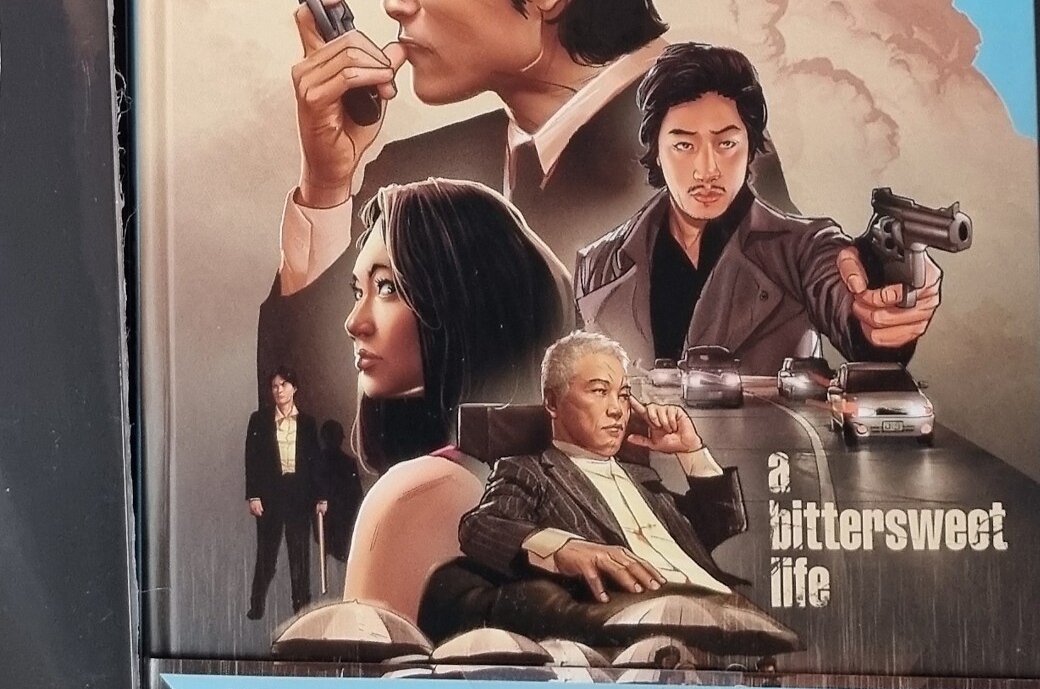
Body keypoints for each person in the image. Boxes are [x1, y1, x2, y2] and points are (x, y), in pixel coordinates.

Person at [259, 0, 794, 429]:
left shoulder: (712, 168)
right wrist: (326, 186)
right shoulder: (405, 174)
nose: (395, 0)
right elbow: (303, 432)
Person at [576, 41, 941, 371]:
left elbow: (843, 291)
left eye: (726, 144)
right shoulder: (598, 265)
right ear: (656, 150)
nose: (707, 170)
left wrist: (883, 288)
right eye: (684, 145)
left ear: (750, 145)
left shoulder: (801, 248)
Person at [338, 179, 570, 623]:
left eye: (386, 287)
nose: (354, 322)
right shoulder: (540, 474)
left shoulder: (415, 496)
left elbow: (362, 669)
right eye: (358, 291)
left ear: (465, 300)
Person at [421, 332, 746, 646]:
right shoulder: (531, 471)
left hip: (725, 606)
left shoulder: (641, 477)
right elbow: (480, 526)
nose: (617, 409)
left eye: (623, 395)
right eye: (600, 391)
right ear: (552, 402)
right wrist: (563, 547)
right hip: (648, 620)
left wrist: (691, 452)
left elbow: (720, 526)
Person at [243, 371, 325, 621]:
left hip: (298, 495)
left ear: (294, 388)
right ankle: (257, 605)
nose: (278, 390)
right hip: (270, 495)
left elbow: (315, 461)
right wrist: (253, 495)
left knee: (299, 555)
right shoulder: (259, 420)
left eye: (284, 384)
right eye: (274, 386)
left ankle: (301, 609)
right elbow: (251, 458)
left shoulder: (307, 422)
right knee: (266, 554)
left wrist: (321, 497)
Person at [315, 422, 364, 595]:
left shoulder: (317, 463)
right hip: (341, 524)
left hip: (331, 526)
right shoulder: (347, 463)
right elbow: (357, 496)